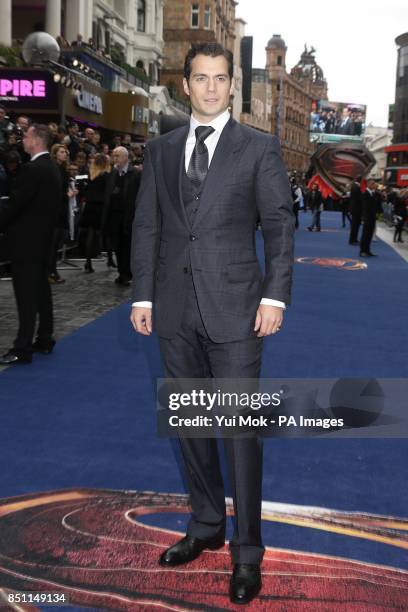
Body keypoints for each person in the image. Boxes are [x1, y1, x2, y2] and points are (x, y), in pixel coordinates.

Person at [130, 43, 294, 605]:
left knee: (239, 434)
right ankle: (205, 526)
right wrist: (142, 297)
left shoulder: (259, 148)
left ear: (232, 86)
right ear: (185, 83)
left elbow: (278, 227)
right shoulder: (161, 149)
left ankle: (248, 552)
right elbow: (148, 227)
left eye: (221, 79)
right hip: (174, 310)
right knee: (191, 426)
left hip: (238, 311)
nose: (211, 88)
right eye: (201, 78)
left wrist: (276, 296)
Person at [0, 124, 62, 365]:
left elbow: (16, 206)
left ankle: (22, 348)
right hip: (43, 243)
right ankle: (45, 338)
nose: (22, 140)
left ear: (36, 140)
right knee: (41, 293)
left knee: (26, 298)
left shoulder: (33, 169)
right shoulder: (52, 168)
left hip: (26, 245)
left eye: (25, 136)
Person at [103, 146, 141, 285]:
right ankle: (122, 272)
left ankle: (127, 273)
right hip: (114, 217)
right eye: (113, 156)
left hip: (129, 217)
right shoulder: (112, 174)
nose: (115, 159)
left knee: (128, 247)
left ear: (126, 157)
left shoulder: (136, 174)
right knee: (118, 247)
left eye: (117, 156)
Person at [79, 153, 110, 272]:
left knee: (90, 235)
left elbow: (79, 183)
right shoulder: (106, 175)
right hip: (101, 207)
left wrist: (86, 194)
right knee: (104, 233)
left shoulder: (89, 174)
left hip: (89, 206)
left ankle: (88, 263)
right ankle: (110, 259)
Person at [49, 144, 70, 283]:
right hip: (53, 210)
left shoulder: (63, 170)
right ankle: (51, 272)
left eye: (65, 152)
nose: (65, 154)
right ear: (55, 153)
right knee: (52, 243)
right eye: (62, 152)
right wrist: (66, 194)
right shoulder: (53, 169)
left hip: (62, 209)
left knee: (56, 243)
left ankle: (51, 270)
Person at [360, 179, 378, 257]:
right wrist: (364, 218)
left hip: (372, 217)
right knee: (365, 235)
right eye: (373, 184)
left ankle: (367, 250)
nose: (375, 185)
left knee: (370, 235)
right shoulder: (365, 194)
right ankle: (362, 251)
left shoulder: (372, 193)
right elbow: (365, 208)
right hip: (367, 218)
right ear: (369, 185)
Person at [349, 177, 363, 245]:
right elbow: (358, 198)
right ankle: (352, 240)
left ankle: (354, 239)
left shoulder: (355, 186)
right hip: (356, 209)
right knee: (355, 225)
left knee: (356, 225)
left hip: (355, 208)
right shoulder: (356, 187)